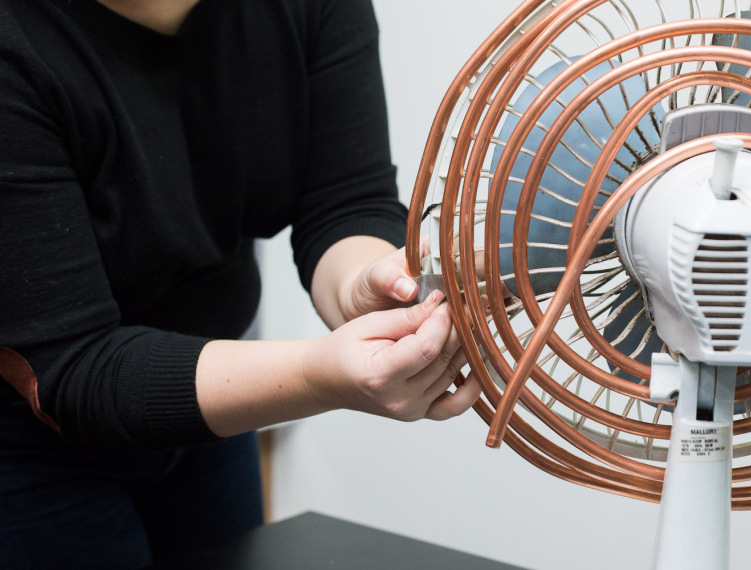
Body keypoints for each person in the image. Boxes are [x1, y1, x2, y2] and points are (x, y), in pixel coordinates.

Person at [0, 0, 481, 568]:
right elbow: (73, 365)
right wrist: (318, 376)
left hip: (213, 403)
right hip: (32, 441)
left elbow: (345, 198)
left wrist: (367, 285)